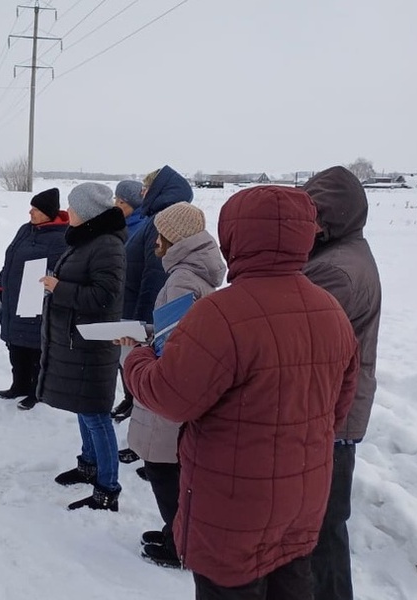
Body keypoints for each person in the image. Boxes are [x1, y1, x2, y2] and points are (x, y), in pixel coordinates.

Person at [124, 186, 359, 598]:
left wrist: (136, 359)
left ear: (235, 236)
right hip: (301, 504)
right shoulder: (331, 312)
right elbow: (338, 408)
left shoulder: (221, 314)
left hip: (232, 512)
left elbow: (171, 398)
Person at [120, 202, 225, 569]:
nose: (154, 242)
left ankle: (179, 543)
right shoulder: (198, 272)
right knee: (172, 469)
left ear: (172, 238)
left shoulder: (182, 278)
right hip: (180, 377)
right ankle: (176, 534)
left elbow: (174, 344)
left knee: (163, 468)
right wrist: (148, 334)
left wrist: (142, 346)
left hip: (169, 383)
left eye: (159, 235)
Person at [302, 166, 382, 600]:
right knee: (322, 531)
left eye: (311, 215)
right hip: (339, 413)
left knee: (321, 535)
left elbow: (299, 345)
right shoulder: (342, 254)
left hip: (331, 417)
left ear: (332, 218)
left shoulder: (335, 270)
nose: (303, 225)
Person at [37, 182, 126, 511]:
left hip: (93, 344)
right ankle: (89, 465)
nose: (68, 212)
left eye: (73, 207)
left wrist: (59, 288)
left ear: (88, 212)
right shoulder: (87, 239)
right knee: (84, 409)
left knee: (96, 415)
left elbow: (104, 297)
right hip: (79, 341)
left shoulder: (106, 245)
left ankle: (108, 486)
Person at [113, 166, 192, 424]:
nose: (142, 193)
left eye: (146, 188)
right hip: (137, 309)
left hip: (142, 315)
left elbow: (154, 276)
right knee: (136, 374)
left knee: (144, 374)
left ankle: (143, 432)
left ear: (157, 190)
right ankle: (136, 414)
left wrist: (142, 327)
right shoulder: (156, 219)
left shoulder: (163, 221)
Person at [0, 188, 69, 410]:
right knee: (15, 343)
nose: (30, 212)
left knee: (35, 347)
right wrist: (1, 285)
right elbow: (10, 258)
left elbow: (61, 268)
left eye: (35, 209)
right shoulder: (26, 230)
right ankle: (18, 384)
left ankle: (37, 391)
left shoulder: (61, 237)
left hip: (37, 300)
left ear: (47, 212)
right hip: (14, 297)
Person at [110, 178, 145, 422]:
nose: (116, 204)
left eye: (121, 201)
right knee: (121, 353)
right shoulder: (118, 225)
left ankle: (135, 400)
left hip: (132, 300)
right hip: (119, 299)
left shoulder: (140, 228)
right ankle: (127, 397)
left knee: (132, 352)